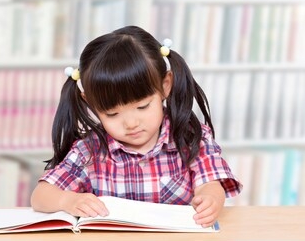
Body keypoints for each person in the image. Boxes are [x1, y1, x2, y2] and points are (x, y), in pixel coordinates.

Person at [31, 25, 242, 228]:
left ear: (165, 85)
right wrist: (67, 201)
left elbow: (210, 183)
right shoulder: (89, 151)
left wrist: (210, 199)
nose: (131, 123)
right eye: (112, 114)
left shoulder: (191, 138)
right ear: (91, 104)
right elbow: (40, 196)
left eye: (142, 106)